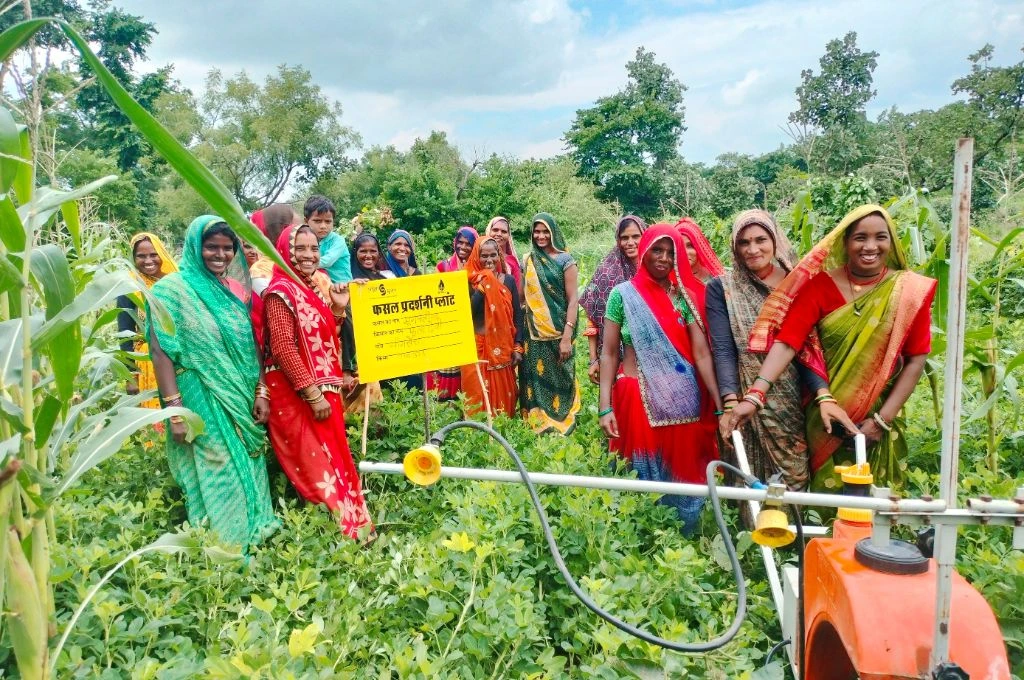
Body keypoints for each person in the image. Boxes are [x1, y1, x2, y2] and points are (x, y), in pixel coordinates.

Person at [730, 204, 937, 492]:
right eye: (860, 238)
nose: (870, 246)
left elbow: (916, 359)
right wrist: (755, 395)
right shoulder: (820, 286)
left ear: (891, 242)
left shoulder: (908, 292)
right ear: (845, 242)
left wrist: (881, 421)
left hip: (877, 415)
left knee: (870, 505)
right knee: (823, 498)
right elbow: (789, 342)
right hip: (822, 413)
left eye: (880, 237)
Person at [147, 215, 280, 548]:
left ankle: (258, 529)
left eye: (227, 248)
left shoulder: (234, 289)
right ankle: (227, 545)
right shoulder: (171, 290)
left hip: (240, 392)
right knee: (217, 464)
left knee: (249, 461)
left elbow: (251, 346)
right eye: (211, 247)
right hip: (200, 393)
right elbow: (161, 351)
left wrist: (261, 390)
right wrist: (175, 412)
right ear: (195, 247)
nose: (220, 255)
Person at [598, 224, 722, 534]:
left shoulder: (684, 297)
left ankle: (684, 539)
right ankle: (640, 540)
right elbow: (609, 354)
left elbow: (702, 353)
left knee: (684, 472)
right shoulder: (621, 295)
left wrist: (720, 403)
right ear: (644, 252)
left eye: (671, 252)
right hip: (636, 396)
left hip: (684, 403)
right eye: (657, 250)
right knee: (641, 474)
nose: (664, 258)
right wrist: (604, 406)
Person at [263, 225, 374, 541]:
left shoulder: (309, 289)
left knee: (334, 459)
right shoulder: (280, 291)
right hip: (298, 395)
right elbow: (284, 347)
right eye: (301, 248)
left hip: (325, 392)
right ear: (286, 251)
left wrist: (337, 309)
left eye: (314, 248)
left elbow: (323, 339)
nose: (310, 255)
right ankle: (337, 534)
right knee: (316, 466)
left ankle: (351, 530)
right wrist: (312, 394)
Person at [706, 210, 826, 490]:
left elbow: (808, 347)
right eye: (744, 243)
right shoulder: (722, 288)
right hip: (740, 392)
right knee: (747, 476)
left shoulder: (796, 283)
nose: (753, 249)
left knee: (793, 477)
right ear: (735, 247)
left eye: (761, 240)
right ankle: (752, 534)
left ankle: (794, 534)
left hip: (788, 396)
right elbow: (723, 348)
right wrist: (730, 403)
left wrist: (822, 395)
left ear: (775, 240)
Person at [520, 213, 580, 434]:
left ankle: (563, 417)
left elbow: (573, 300)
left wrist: (567, 336)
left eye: (545, 231)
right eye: (537, 231)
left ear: (554, 232)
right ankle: (538, 420)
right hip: (533, 333)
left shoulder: (566, 260)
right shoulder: (528, 259)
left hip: (559, 331)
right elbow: (522, 297)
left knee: (561, 375)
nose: (541, 235)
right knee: (535, 376)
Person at [460, 237, 524, 417]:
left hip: (503, 350)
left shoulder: (509, 281)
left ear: (499, 256)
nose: (489, 260)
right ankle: (478, 435)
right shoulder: (469, 281)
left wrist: (518, 346)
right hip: (478, 349)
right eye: (484, 256)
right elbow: (466, 314)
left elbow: (517, 316)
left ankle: (503, 434)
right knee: (477, 399)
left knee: (505, 401)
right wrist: (482, 287)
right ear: (476, 257)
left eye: (493, 255)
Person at [579, 215, 646, 384]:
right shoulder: (606, 272)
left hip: (651, 355)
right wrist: (594, 359)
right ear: (618, 240)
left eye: (635, 236)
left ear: (645, 236)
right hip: (614, 356)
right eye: (624, 238)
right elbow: (593, 318)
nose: (630, 242)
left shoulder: (655, 267)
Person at [117, 232, 178, 408]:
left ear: (162, 254)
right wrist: (131, 377)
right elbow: (125, 334)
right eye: (141, 256)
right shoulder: (130, 287)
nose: (148, 260)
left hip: (179, 358)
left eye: (153, 254)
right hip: (147, 360)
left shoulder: (175, 282)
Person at [339, 233, 389, 411]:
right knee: (365, 403)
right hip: (356, 351)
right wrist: (347, 369)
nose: (368, 255)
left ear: (379, 253)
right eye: (363, 251)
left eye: (373, 251)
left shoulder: (383, 280)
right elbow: (347, 323)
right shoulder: (351, 280)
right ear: (355, 253)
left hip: (381, 346)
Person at [429, 225, 479, 400]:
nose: (463, 247)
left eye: (468, 244)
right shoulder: (443, 267)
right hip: (448, 327)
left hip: (474, 327)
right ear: (455, 243)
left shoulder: (479, 269)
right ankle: (446, 411)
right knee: (448, 369)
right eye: (460, 242)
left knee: (470, 371)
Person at [250, 203, 299, 295]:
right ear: (282, 231)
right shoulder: (260, 270)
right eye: (297, 229)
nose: (304, 233)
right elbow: (275, 303)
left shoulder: (303, 262)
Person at [306, 195, 351, 283]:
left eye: (328, 221)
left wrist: (301, 266)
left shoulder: (338, 241)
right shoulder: (307, 240)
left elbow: (327, 261)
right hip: (323, 287)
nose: (323, 226)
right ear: (306, 221)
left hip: (344, 290)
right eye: (317, 221)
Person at [486, 216, 522, 287]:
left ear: (508, 236)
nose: (499, 234)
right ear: (489, 231)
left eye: (504, 231)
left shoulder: (511, 261)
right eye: (495, 230)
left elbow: (517, 291)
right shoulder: (479, 257)